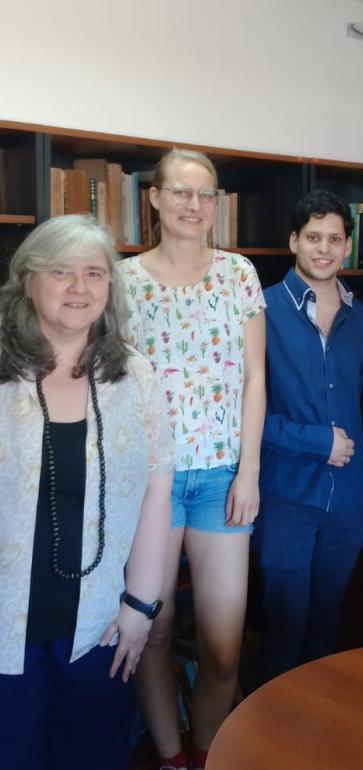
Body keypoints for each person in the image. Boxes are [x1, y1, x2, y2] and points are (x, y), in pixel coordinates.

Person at [0, 214, 173, 770]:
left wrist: (141, 606)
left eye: (94, 273)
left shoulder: (136, 377)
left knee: (94, 755)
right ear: (29, 280)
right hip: (6, 624)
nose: (79, 287)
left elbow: (157, 490)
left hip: (99, 624)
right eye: (61, 272)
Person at [117, 148, 266, 770]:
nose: (194, 205)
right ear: (154, 198)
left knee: (223, 648)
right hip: (148, 483)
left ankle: (208, 753)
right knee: (152, 629)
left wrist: (249, 472)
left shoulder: (238, 274)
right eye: (181, 192)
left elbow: (255, 380)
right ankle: (172, 758)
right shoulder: (122, 281)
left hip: (221, 479)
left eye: (206, 194)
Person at [251, 188, 363, 685]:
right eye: (313, 237)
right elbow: (241, 412)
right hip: (286, 495)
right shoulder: (259, 310)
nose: (324, 249)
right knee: (282, 630)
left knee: (326, 628)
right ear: (293, 241)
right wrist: (315, 441)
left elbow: (359, 401)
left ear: (347, 246)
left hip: (348, 503)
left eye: (334, 239)